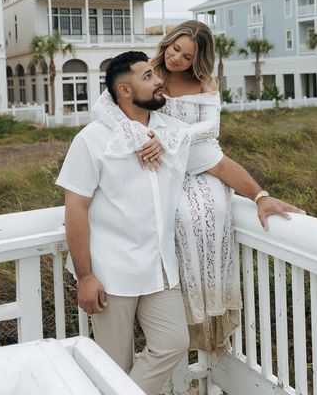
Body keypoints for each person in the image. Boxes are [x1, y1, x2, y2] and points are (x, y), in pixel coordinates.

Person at [92, 21, 304, 352]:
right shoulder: (149, 71)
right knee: (173, 217)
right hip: (151, 156)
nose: (176, 58)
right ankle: (165, 312)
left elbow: (210, 132)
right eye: (175, 49)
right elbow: (103, 105)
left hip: (189, 150)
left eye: (187, 56)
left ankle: (203, 317)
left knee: (212, 210)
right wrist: (138, 136)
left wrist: (171, 138)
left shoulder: (205, 83)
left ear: (198, 59)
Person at [57, 51, 231, 395]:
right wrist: (86, 276)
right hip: (110, 271)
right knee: (113, 363)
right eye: (148, 77)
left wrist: (261, 195)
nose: (159, 82)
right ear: (124, 90)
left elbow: (217, 161)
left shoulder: (174, 134)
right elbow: (75, 210)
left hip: (160, 268)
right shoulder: (92, 139)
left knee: (173, 343)